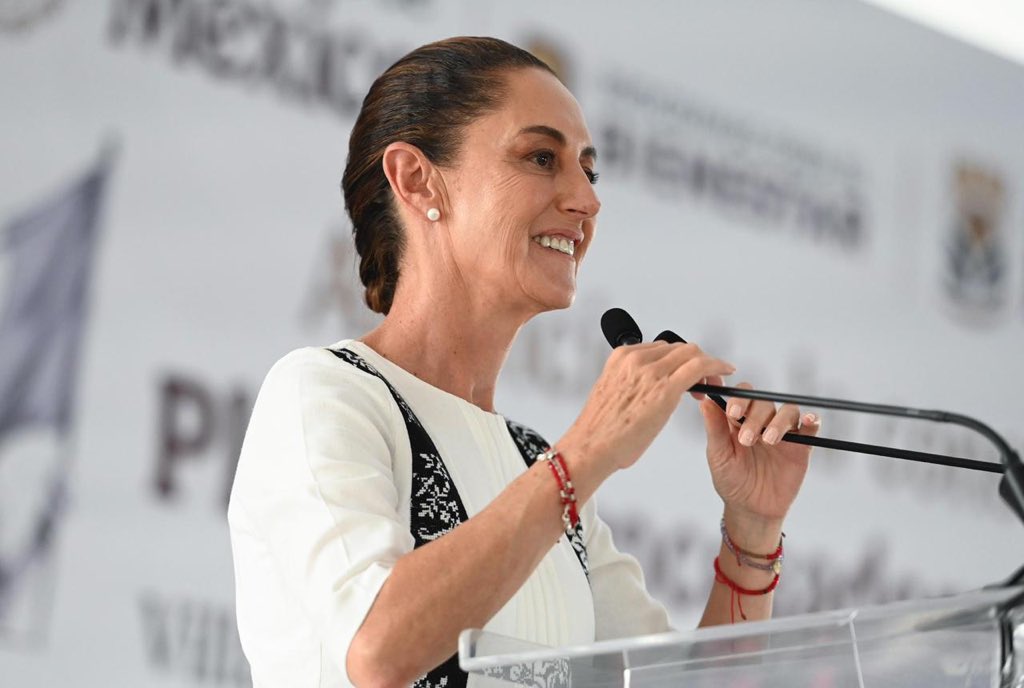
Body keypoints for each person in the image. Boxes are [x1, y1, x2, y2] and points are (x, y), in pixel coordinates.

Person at [228, 36, 820, 688]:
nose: (587, 200)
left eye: (588, 171)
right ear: (416, 179)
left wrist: (753, 532)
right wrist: (588, 451)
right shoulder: (324, 393)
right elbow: (377, 651)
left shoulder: (537, 469)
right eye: (542, 158)